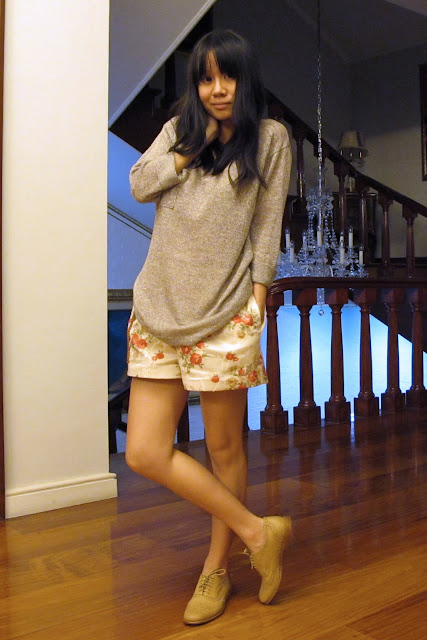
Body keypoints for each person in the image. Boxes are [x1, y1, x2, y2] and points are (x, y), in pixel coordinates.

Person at [125, 29, 292, 625]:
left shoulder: (270, 138)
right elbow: (139, 184)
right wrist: (193, 147)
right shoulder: (179, 131)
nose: (217, 89)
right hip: (159, 308)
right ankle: (259, 532)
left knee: (224, 449)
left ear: (246, 80)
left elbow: (266, 226)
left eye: (228, 76)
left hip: (226, 313)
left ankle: (217, 570)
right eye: (205, 77)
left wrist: (257, 300)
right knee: (145, 451)